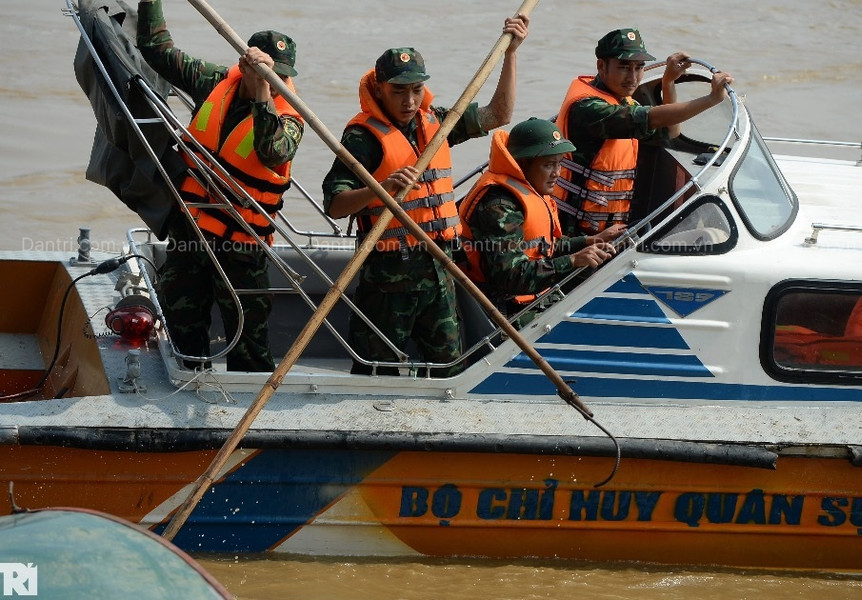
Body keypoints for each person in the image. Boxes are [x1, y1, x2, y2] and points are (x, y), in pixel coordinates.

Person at [321, 15, 529, 377]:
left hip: (439, 270)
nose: (409, 100)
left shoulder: (437, 123)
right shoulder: (362, 138)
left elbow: (499, 114)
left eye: (416, 90)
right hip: (389, 280)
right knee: (376, 370)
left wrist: (511, 53)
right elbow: (335, 205)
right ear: (380, 88)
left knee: (449, 367)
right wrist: (381, 190)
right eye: (399, 91)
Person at [137, 0, 304, 371]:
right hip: (191, 231)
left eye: (280, 76)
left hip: (243, 245)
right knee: (183, 329)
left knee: (250, 344)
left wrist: (264, 93)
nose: (276, 83)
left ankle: (250, 410)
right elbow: (158, 52)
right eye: (266, 74)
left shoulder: (291, 116)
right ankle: (187, 391)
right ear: (244, 64)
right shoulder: (214, 81)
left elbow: (272, 152)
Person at [553, 27, 734, 237]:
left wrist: (668, 82)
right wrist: (711, 99)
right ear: (601, 66)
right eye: (624, 67)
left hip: (606, 231)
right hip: (572, 234)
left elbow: (670, 132)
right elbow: (650, 117)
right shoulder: (588, 109)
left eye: (639, 67)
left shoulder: (622, 100)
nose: (633, 77)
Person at [458, 118, 615, 325]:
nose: (557, 173)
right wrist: (573, 260)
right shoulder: (499, 206)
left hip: (533, 296)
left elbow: (540, 245)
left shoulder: (530, 187)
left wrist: (587, 242)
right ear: (522, 164)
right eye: (548, 165)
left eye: (559, 163)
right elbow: (511, 276)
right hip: (505, 311)